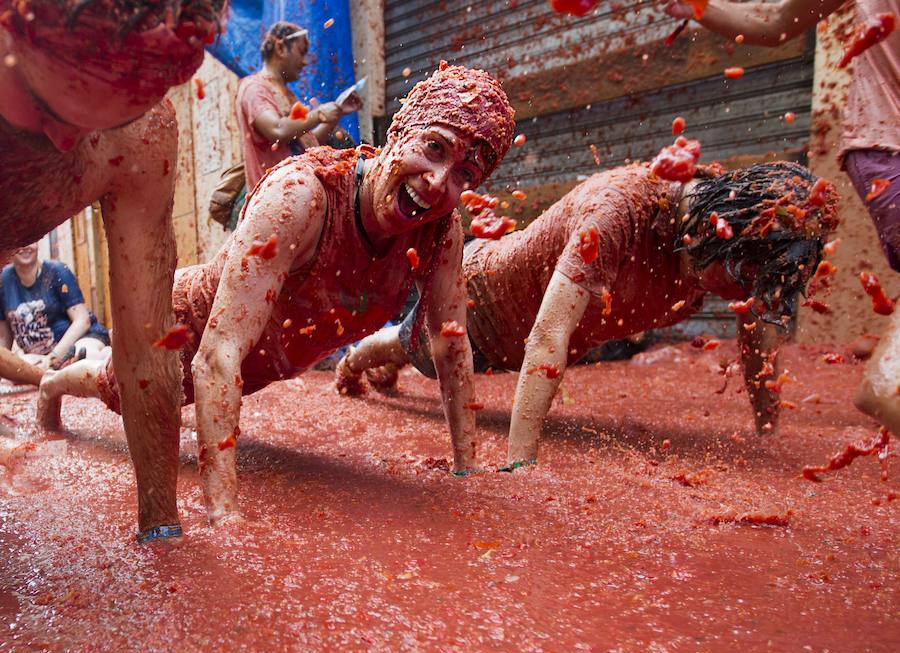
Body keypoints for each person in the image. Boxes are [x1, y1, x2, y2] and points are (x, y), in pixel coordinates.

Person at [37, 63, 517, 525]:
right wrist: (223, 514)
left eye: (464, 176)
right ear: (397, 134)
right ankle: (52, 384)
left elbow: (450, 344)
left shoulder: (438, 233)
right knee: (113, 387)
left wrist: (465, 465)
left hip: (265, 362)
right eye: (434, 148)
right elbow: (216, 356)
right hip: (187, 328)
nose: (437, 182)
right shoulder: (302, 195)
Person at [338, 161, 840, 468]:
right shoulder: (620, 208)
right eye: (743, 281)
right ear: (720, 234)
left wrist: (768, 432)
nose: (737, 296)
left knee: (421, 353)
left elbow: (759, 340)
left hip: (522, 348)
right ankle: (353, 364)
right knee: (410, 350)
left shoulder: (725, 246)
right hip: (478, 305)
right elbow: (548, 334)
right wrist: (520, 465)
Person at [1, 0, 228, 543]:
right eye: (47, 113)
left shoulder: (142, 133)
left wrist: (162, 524)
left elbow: (148, 345)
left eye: (97, 125)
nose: (65, 141)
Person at [664, 0, 900, 437]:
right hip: (888, 152)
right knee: (883, 389)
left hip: (876, 154)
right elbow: (774, 21)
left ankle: (772, 422)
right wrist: (696, 6)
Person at [236, 21, 364, 191]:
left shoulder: (287, 95)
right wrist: (318, 114)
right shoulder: (254, 88)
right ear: (281, 48)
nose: (305, 62)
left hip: (299, 194)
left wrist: (336, 113)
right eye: (301, 53)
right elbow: (277, 131)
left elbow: (310, 143)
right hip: (274, 200)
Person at [1, 243, 110, 371]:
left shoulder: (57, 270)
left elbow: (82, 320)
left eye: (30, 241)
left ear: (37, 242)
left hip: (80, 340)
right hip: (39, 357)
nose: (25, 247)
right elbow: (4, 339)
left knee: (84, 359)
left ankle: (107, 356)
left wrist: (53, 356)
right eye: (20, 242)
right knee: (20, 367)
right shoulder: (3, 282)